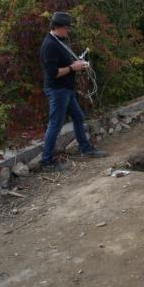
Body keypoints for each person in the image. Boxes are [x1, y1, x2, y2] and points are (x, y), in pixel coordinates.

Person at [40, 12, 107, 172]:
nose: (68, 31)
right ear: (57, 27)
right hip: (57, 90)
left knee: (78, 117)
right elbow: (53, 73)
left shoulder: (60, 40)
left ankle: (85, 148)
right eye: (66, 28)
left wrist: (78, 64)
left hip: (66, 89)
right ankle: (46, 161)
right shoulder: (49, 45)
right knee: (55, 124)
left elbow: (65, 63)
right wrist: (72, 67)